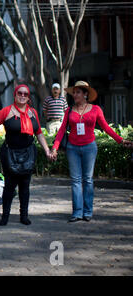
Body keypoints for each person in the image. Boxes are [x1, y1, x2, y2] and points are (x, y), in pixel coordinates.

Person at [0, 84, 53, 226]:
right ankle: (5, 216)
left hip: (28, 153)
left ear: (28, 96)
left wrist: (47, 150)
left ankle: (24, 215)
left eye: (25, 94)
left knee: (25, 186)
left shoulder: (33, 113)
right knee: (10, 186)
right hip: (10, 153)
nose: (22, 96)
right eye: (20, 93)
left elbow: (39, 133)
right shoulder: (7, 111)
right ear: (15, 94)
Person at [51, 81, 132, 222]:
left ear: (85, 94)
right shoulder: (69, 110)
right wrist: (54, 148)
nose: (75, 95)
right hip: (72, 148)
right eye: (74, 92)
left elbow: (106, 127)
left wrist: (120, 140)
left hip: (89, 147)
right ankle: (77, 212)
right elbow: (62, 130)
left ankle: (87, 212)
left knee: (87, 180)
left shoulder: (95, 109)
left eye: (78, 92)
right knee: (75, 180)